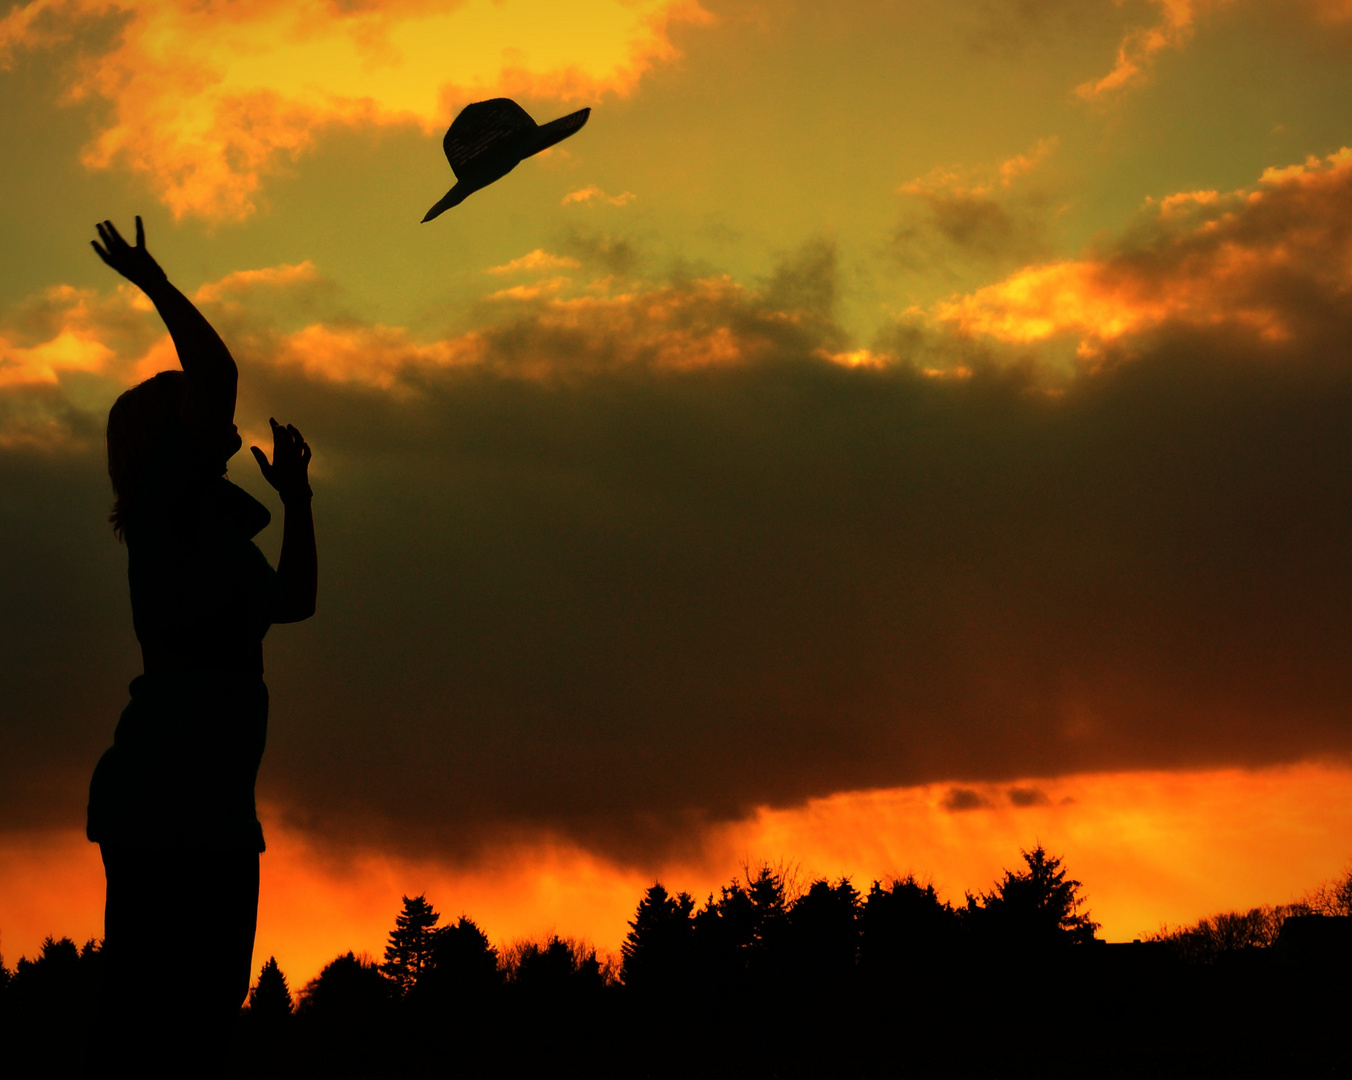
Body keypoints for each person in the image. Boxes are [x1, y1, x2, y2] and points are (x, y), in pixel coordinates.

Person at [85, 217, 317, 1074]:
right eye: (182, 404)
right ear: (166, 444)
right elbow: (217, 370)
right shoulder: (167, 509)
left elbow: (293, 604)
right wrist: (152, 282)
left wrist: (296, 501)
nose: (202, 401)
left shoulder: (209, 530)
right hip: (166, 798)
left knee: (201, 1019)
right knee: (153, 1026)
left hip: (212, 804)